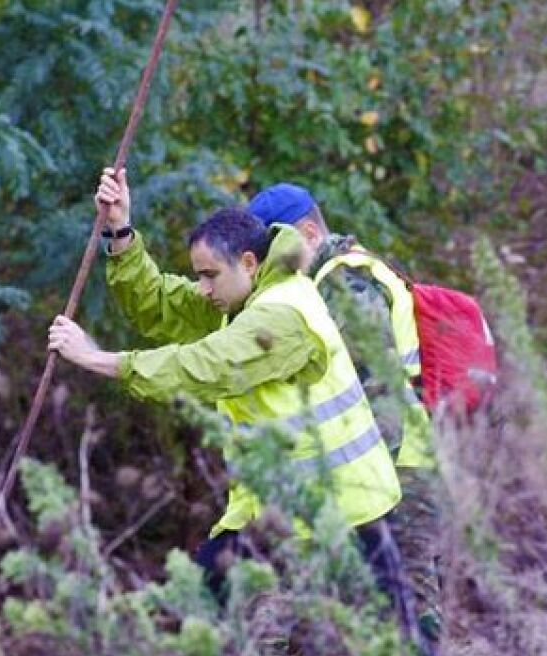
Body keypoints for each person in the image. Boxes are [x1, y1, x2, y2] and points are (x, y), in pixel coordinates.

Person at [47, 168, 409, 622]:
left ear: (249, 263)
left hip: (351, 515)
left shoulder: (284, 314)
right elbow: (158, 304)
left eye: (208, 276)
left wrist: (97, 358)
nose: (202, 288)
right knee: (205, 617)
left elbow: (205, 367)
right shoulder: (240, 297)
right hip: (276, 516)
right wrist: (119, 229)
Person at [248, 183, 443, 645]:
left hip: (397, 470)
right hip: (380, 471)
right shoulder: (329, 280)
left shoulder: (346, 282)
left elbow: (368, 386)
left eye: (274, 247)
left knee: (408, 612)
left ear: (309, 233)